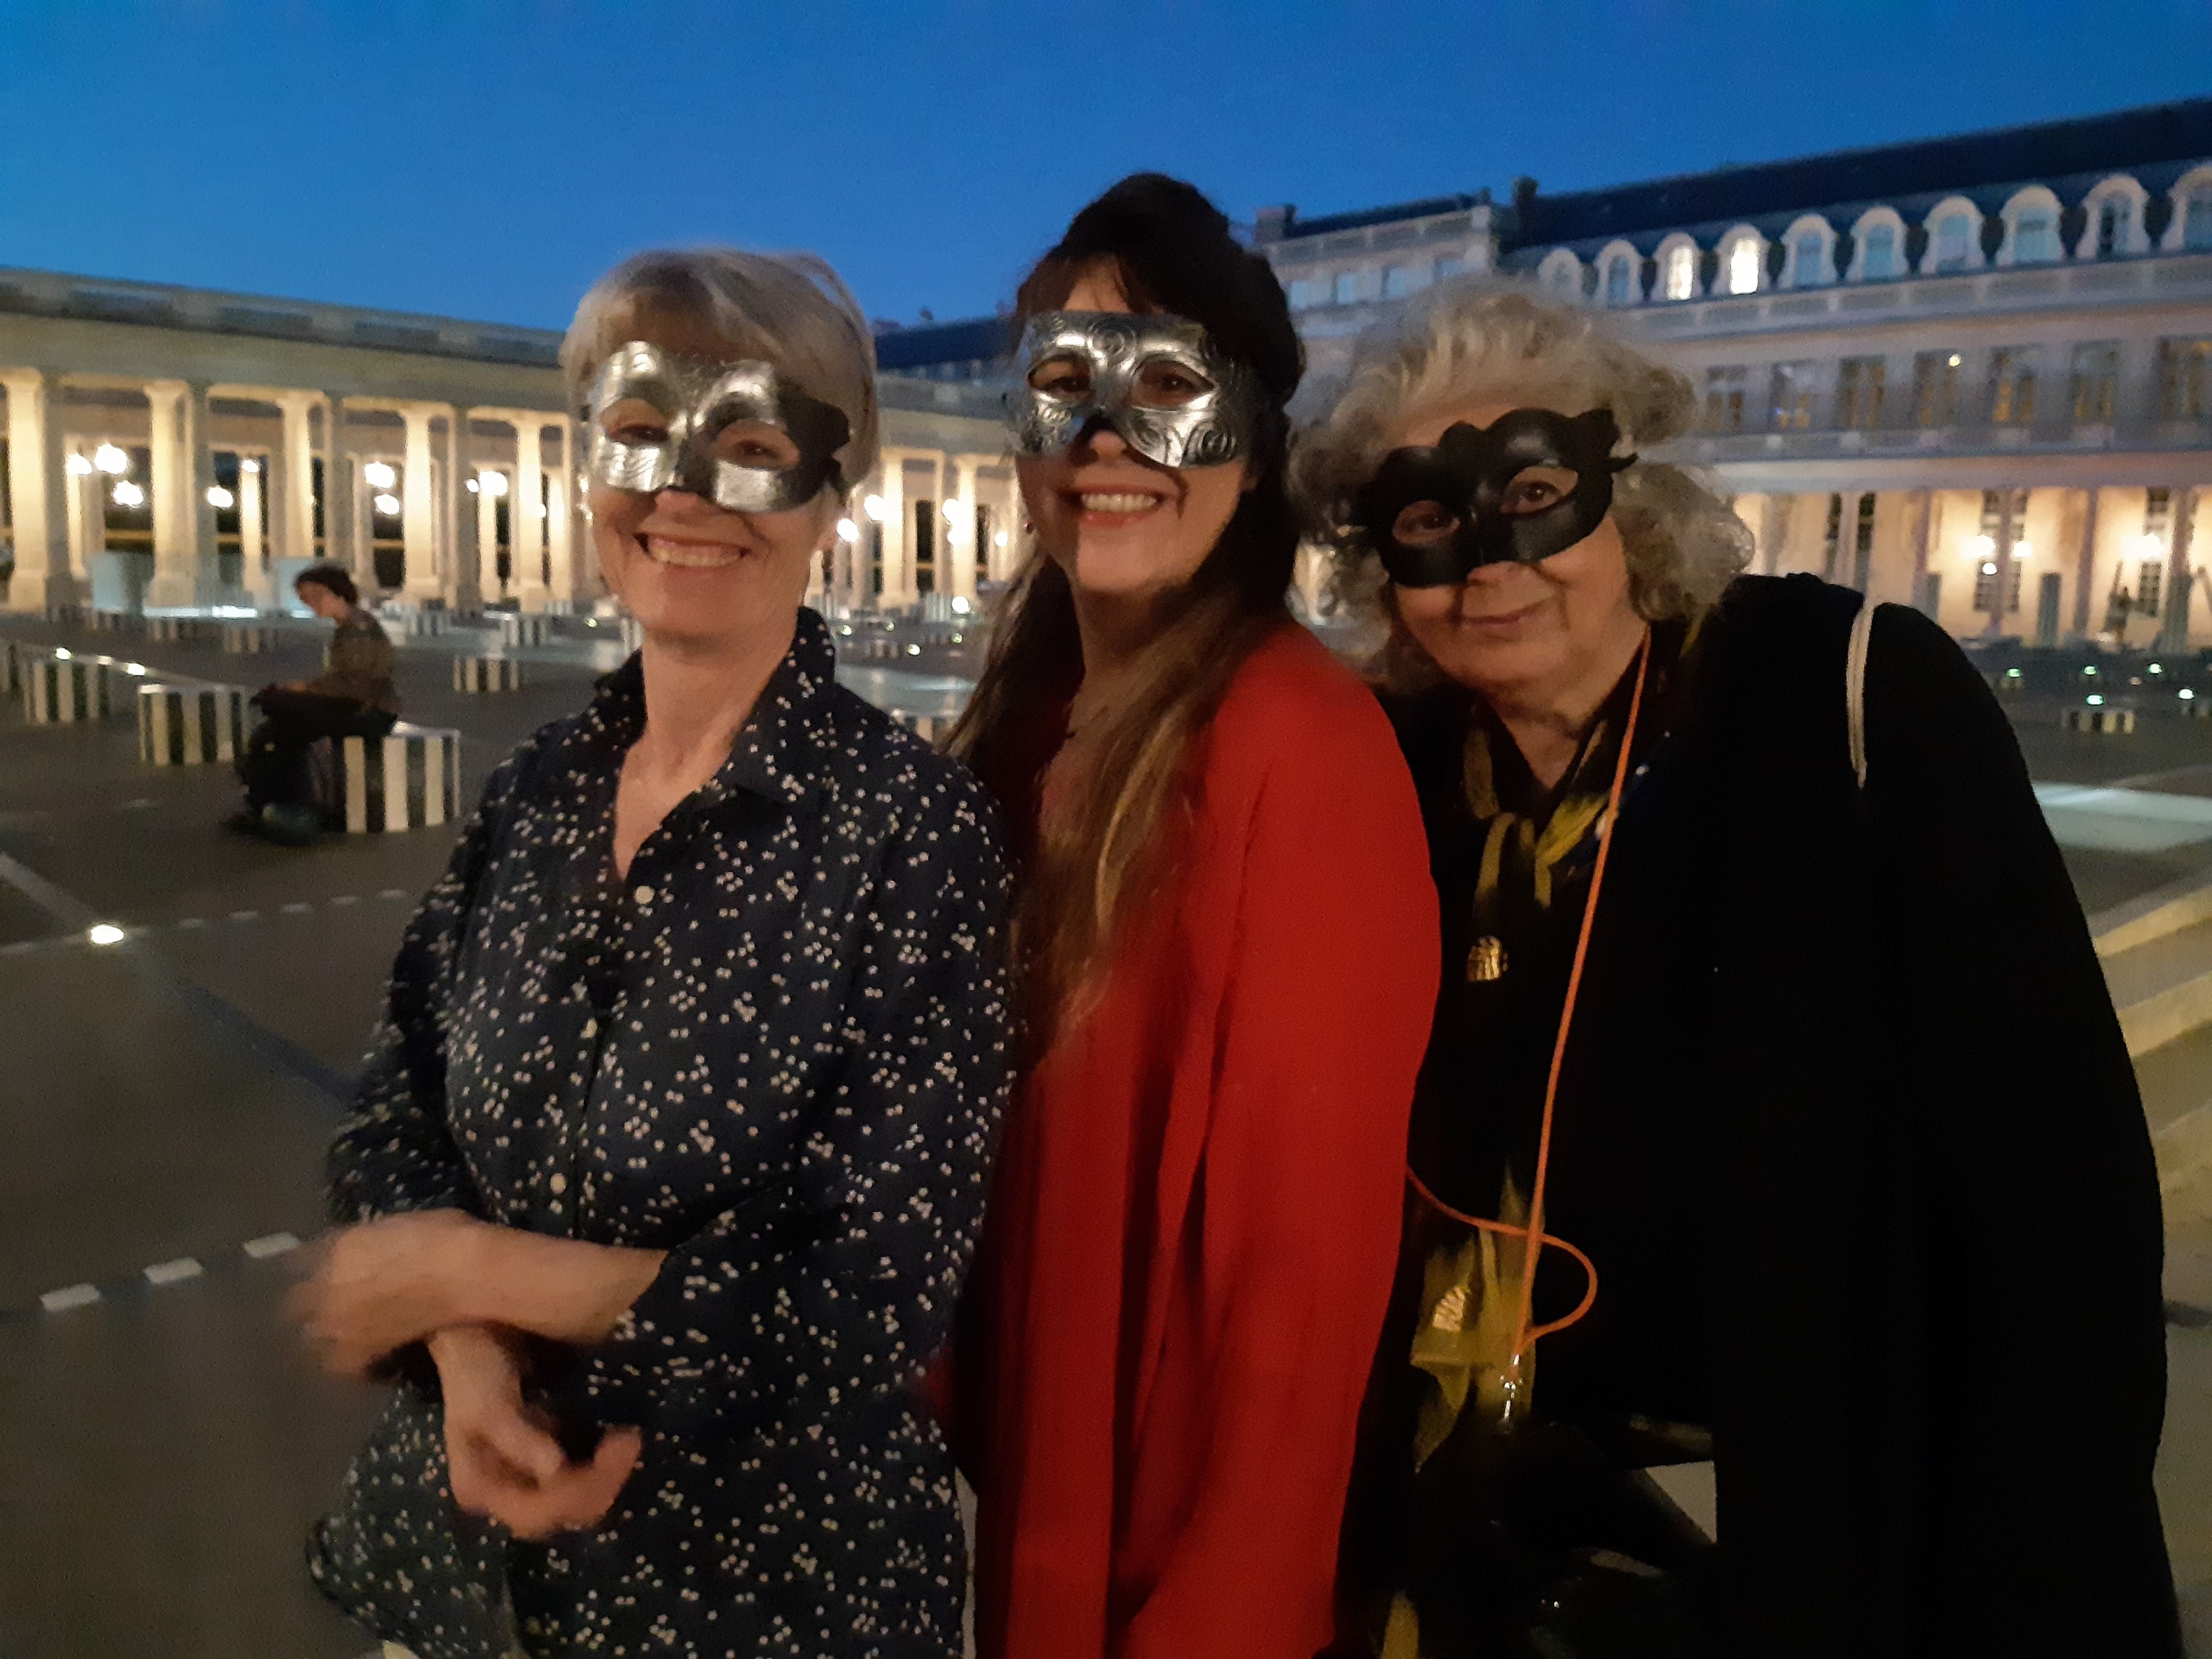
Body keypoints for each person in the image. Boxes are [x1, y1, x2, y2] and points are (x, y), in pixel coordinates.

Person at [1293, 285, 2180, 1658]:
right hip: (1465, 1558)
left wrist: (2033, 1579)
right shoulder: (1396, 775)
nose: (1490, 561)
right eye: (1425, 520)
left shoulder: (1848, 700)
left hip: (1800, 1553)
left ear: (1625, 496)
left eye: (1533, 489)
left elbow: (2064, 1221)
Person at [291, 247, 1014, 1659]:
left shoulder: (915, 835)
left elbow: (861, 1305)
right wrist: (469, 1353)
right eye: (636, 436)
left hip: (762, 1600)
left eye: (748, 445)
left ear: (832, 490)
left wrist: (453, 1269)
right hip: (454, 1569)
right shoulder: (540, 786)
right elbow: (397, 1102)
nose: (681, 493)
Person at [946, 174, 1441, 1659]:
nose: (1105, 439)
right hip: (1030, 1501)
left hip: (1163, 1578)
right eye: (1061, 385)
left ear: (1252, 443)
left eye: (1166, 384)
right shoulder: (1029, 734)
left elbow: (1301, 1302)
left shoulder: (1304, 747)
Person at [233, 563, 398, 837]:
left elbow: (354, 684)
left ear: (338, 593)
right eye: (305, 598)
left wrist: (304, 689)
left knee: (279, 720)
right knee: (281, 728)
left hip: (371, 713)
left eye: (315, 596)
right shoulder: (350, 625)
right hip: (361, 707)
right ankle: (276, 805)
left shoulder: (358, 628)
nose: (311, 604)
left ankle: (278, 806)